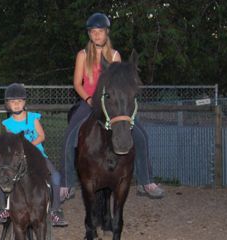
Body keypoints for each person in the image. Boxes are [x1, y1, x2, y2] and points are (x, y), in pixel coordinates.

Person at [60, 12, 164, 200]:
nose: (96, 35)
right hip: (89, 101)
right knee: (69, 136)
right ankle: (66, 184)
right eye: (93, 32)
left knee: (141, 136)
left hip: (112, 102)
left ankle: (146, 181)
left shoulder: (115, 55)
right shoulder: (83, 55)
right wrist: (89, 99)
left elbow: (119, 84)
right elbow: (77, 83)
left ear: (106, 32)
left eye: (100, 31)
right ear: (89, 34)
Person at [0, 83, 68, 226]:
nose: (16, 104)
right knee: (4, 175)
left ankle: (56, 210)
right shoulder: (8, 123)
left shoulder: (33, 118)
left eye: (19, 101)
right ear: (7, 104)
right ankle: (3, 208)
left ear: (24, 102)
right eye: (13, 102)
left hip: (38, 155)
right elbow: (11, 144)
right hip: (18, 158)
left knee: (56, 177)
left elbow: (42, 136)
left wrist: (28, 147)